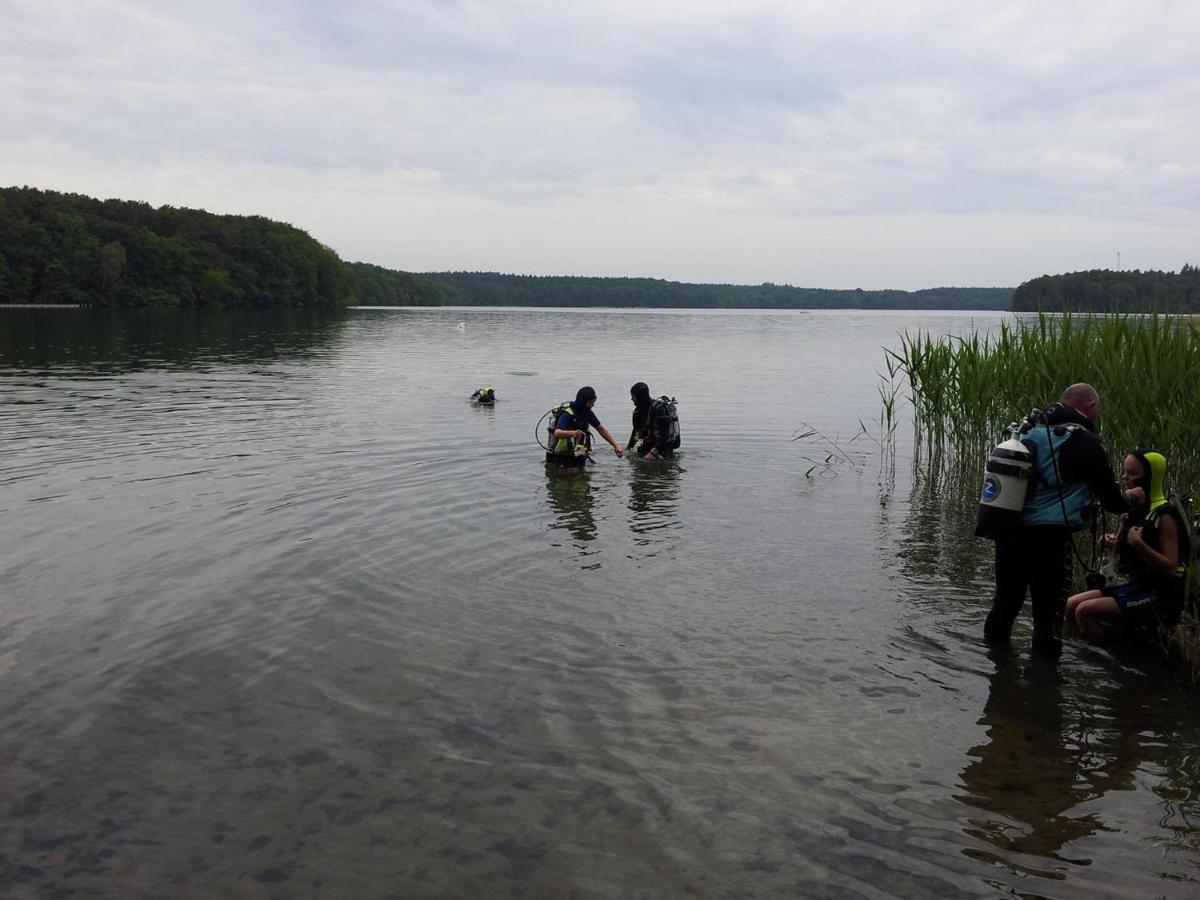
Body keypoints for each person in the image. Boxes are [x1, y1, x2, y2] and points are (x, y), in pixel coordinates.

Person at [983, 383, 1140, 658]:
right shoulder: (1084, 441)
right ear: (1090, 408)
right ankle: (1045, 687)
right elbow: (1112, 501)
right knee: (1048, 615)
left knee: (1005, 605)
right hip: (1048, 538)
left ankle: (996, 673)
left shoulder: (1027, 431)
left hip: (1008, 533)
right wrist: (1134, 497)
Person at [1065, 449, 1187, 640]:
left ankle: (1109, 657)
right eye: (1125, 472)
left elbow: (1171, 568)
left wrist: (1139, 544)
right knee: (1070, 604)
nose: (1124, 478)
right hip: (1134, 585)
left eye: (1132, 474)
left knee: (1084, 611)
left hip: (1159, 593)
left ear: (1148, 478)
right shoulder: (1131, 510)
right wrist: (1111, 541)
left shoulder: (1165, 516)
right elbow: (1123, 548)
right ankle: (1076, 654)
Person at [546, 386, 624, 469]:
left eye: (593, 402)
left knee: (582, 477)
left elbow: (600, 428)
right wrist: (572, 433)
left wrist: (616, 446)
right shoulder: (567, 414)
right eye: (590, 403)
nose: (592, 405)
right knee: (571, 476)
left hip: (579, 453)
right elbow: (557, 433)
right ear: (582, 401)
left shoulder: (587, 413)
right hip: (562, 456)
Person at [626, 382, 679, 460]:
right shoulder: (638, 412)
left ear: (640, 397)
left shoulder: (659, 409)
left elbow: (665, 435)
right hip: (649, 447)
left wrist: (653, 453)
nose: (631, 399)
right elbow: (636, 432)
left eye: (633, 396)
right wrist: (629, 447)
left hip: (663, 449)